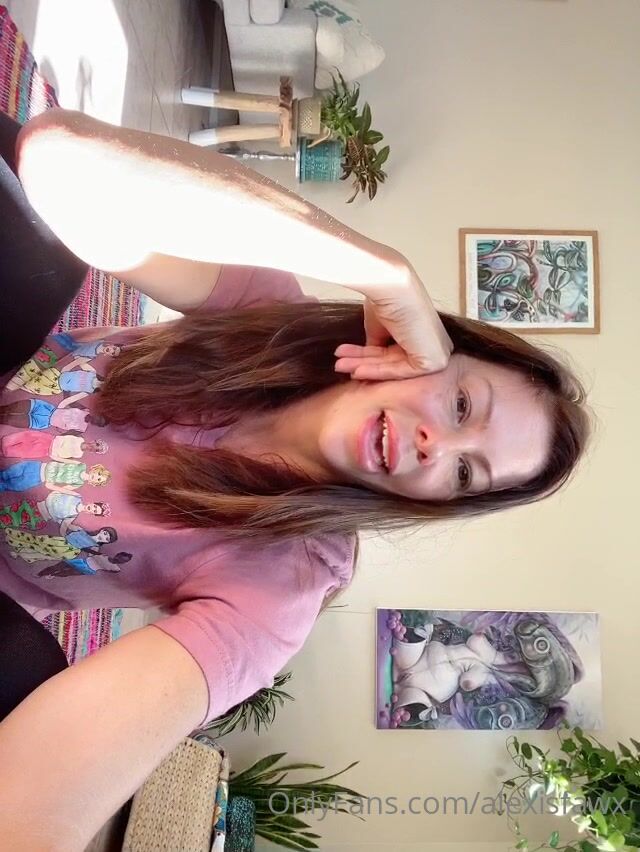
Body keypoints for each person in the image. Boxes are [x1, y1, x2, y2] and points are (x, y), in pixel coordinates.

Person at [0, 107, 590, 849]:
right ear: (429, 345)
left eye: (466, 472)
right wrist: (381, 272)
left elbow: (30, 808)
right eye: (462, 404)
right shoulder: (268, 313)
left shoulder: (278, 593)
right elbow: (60, 161)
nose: (435, 447)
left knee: (21, 667)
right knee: (27, 225)